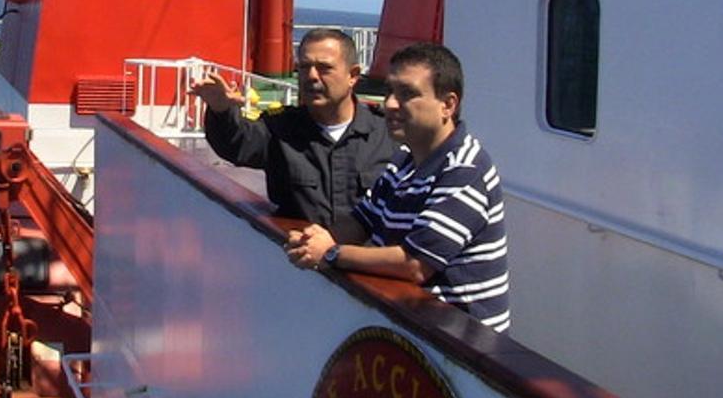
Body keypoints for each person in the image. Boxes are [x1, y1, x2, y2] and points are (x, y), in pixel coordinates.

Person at [285, 42, 510, 333]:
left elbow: (415, 264)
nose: (389, 103)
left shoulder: (465, 169)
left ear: (448, 105)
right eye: (389, 91)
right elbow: (363, 219)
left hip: (461, 349)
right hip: (413, 333)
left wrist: (330, 253)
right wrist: (318, 238)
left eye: (407, 94)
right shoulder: (405, 159)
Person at [190, 28, 396, 244]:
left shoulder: (387, 135)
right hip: (299, 266)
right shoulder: (281, 129)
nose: (311, 77)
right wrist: (221, 110)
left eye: (324, 68)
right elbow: (237, 144)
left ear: (353, 75)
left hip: (367, 270)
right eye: (305, 67)